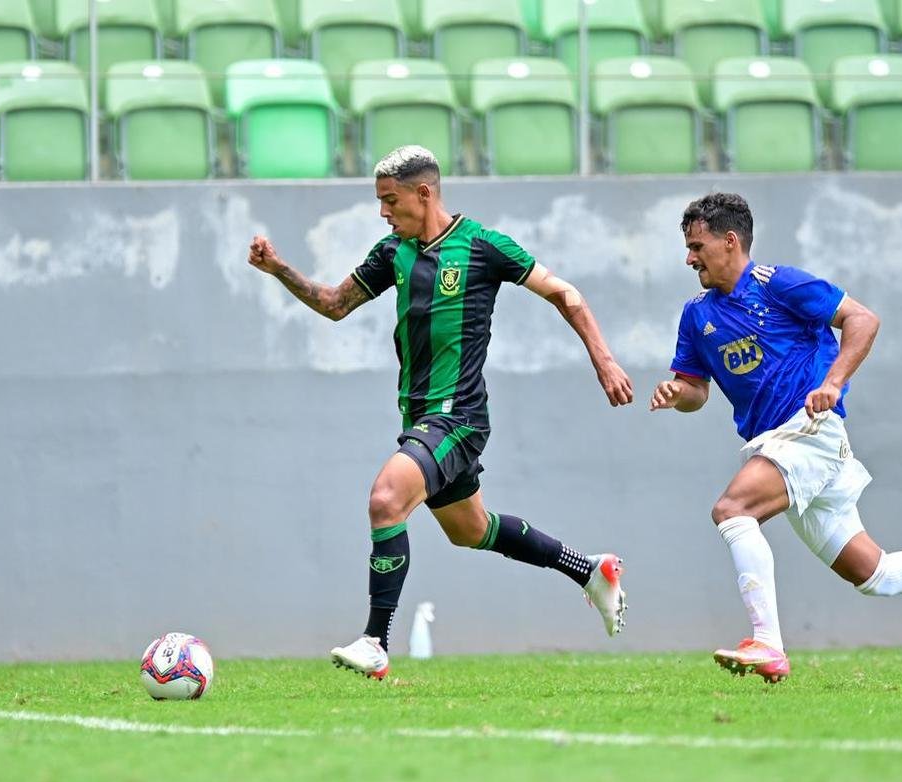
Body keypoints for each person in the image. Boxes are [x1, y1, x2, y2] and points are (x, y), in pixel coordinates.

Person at [247, 145, 632, 680]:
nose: (383, 212)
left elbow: (564, 293)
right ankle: (589, 570)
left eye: (390, 200)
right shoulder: (393, 252)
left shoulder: (482, 246)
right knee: (471, 530)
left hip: (459, 417)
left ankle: (375, 641)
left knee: (386, 499)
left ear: (424, 193)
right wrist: (278, 269)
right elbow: (334, 304)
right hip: (421, 419)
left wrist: (604, 360)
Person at [650, 192, 902, 684]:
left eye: (697, 247)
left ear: (730, 241)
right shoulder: (696, 315)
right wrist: (678, 393)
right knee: (876, 575)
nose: (689, 259)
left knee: (733, 510)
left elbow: (863, 319)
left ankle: (768, 643)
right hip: (776, 444)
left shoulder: (779, 284)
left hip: (809, 431)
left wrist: (833, 382)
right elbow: (696, 390)